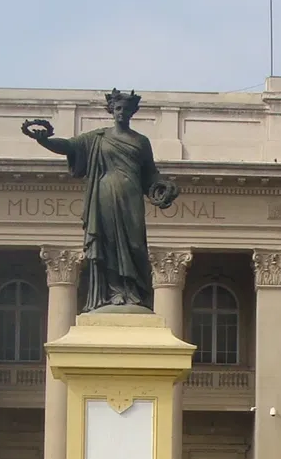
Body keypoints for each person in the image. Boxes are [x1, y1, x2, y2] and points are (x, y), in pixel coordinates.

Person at [21, 89, 178, 311]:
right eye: (118, 109)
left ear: (132, 112)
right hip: (104, 196)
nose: (121, 113)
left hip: (131, 198)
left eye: (125, 109)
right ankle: (113, 292)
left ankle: (133, 292)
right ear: (112, 111)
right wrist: (43, 140)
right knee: (108, 243)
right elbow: (68, 146)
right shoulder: (98, 138)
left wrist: (163, 188)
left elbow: (150, 174)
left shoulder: (141, 142)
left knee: (135, 245)